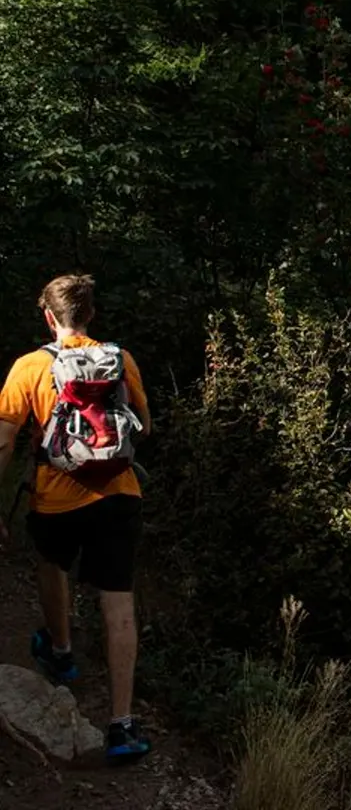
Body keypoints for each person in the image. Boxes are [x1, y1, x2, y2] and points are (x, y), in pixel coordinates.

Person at [0, 274, 152, 763]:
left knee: (51, 562)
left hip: (56, 497)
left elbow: (3, 440)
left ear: (49, 317)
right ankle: (122, 725)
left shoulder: (29, 367)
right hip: (118, 495)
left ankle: (62, 652)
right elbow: (143, 427)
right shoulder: (120, 359)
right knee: (118, 601)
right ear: (90, 314)